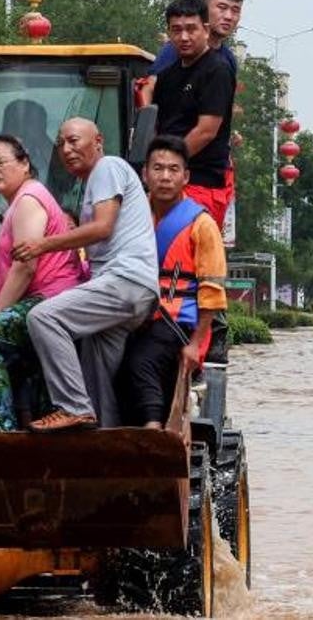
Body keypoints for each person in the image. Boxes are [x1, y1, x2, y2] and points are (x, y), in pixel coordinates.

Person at [15, 118, 159, 432]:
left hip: (125, 281)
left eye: (74, 140)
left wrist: (42, 245)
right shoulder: (93, 182)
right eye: (61, 144)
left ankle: (71, 407)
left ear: (98, 141)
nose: (66, 149)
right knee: (94, 373)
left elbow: (102, 227)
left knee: (43, 318)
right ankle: (103, 441)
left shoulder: (107, 167)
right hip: (131, 291)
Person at [0, 135, 84, 431]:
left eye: (1, 162)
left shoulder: (29, 199)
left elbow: (25, 267)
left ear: (25, 163)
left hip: (48, 298)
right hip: (40, 303)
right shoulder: (19, 203)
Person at [118, 136, 227, 428]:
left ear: (185, 177)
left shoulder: (202, 224)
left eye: (173, 169)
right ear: (145, 174)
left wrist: (195, 345)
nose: (165, 177)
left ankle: (155, 431)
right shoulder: (130, 217)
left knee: (142, 362)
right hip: (132, 316)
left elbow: (212, 291)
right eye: (158, 168)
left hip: (179, 322)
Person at [151, 0, 237, 230]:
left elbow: (206, 131)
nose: (184, 37)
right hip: (168, 181)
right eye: (176, 30)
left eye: (191, 29)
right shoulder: (167, 75)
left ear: (206, 30)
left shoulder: (217, 70)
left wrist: (168, 166)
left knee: (188, 256)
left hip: (201, 183)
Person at [142, 0, 244, 99]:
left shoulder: (229, 59)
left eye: (235, 10)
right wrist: (147, 117)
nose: (229, 16)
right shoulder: (180, 48)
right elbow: (148, 89)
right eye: (222, 8)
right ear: (204, 10)